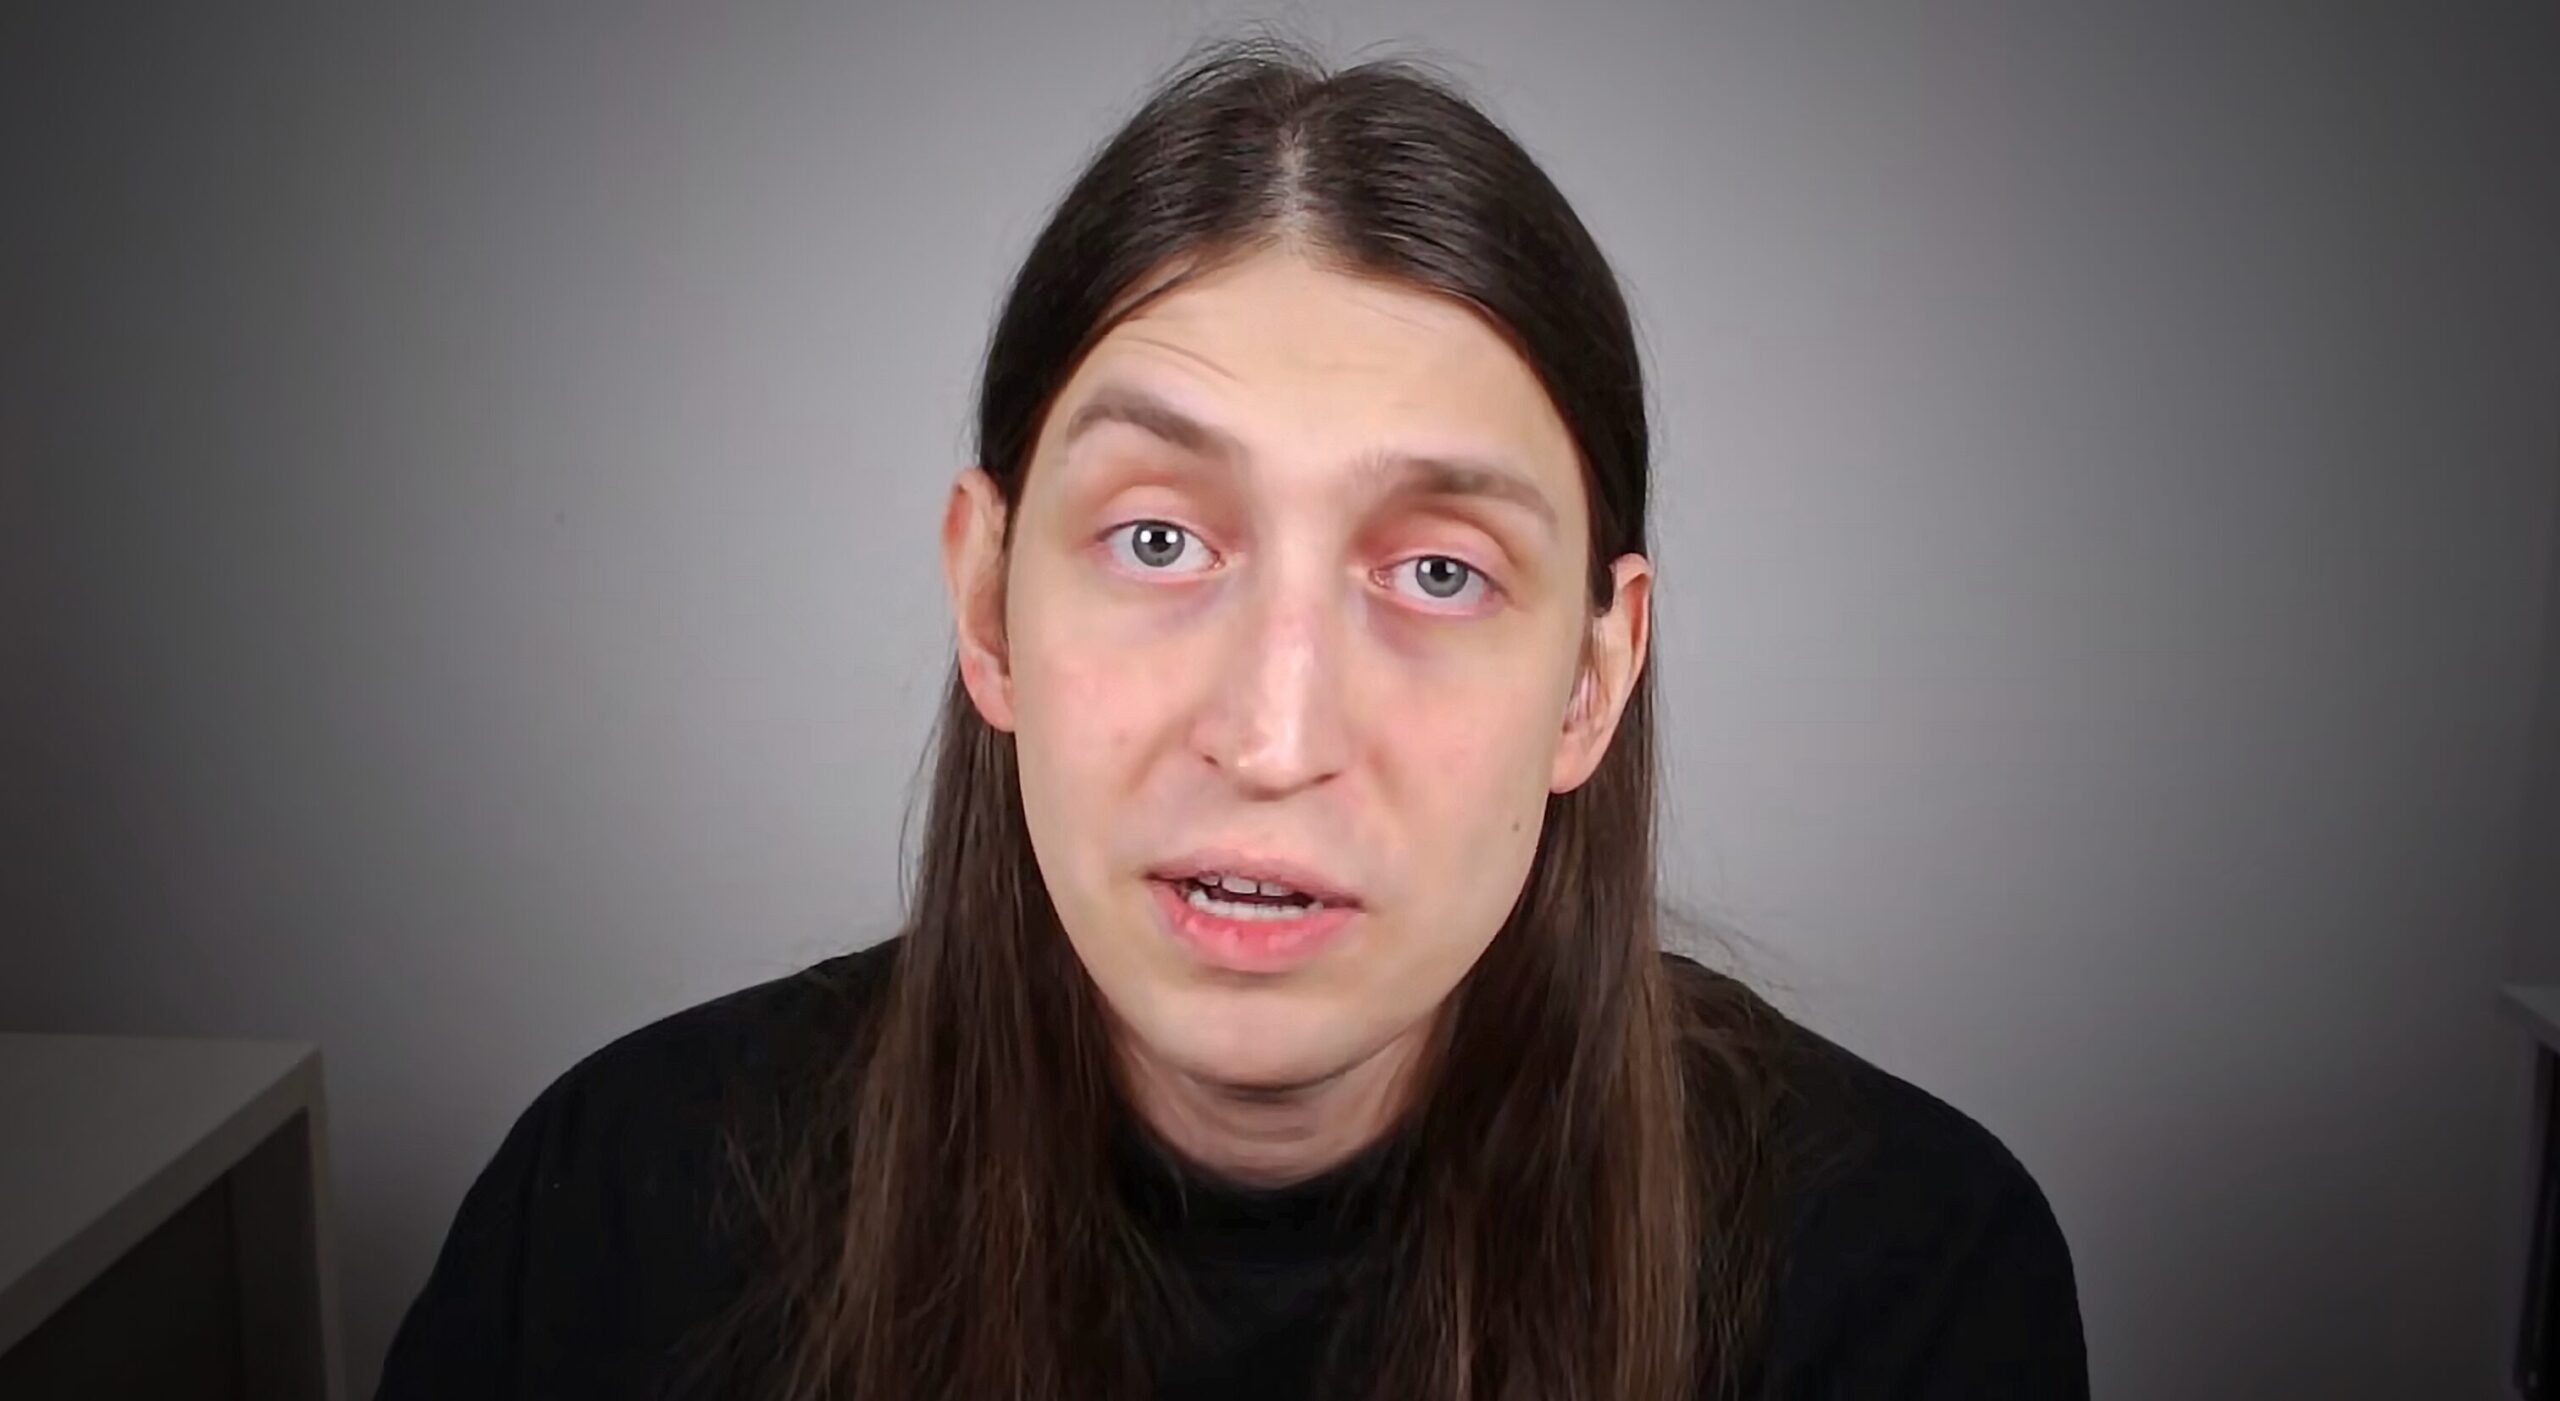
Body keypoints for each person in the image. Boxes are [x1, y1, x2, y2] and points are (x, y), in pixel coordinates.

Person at [376, 38, 2086, 1401]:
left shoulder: (1903, 1282)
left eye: (1437, 572)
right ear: (989, 604)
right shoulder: (616, 1216)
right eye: (1159, 541)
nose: (1273, 740)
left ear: (1593, 679)